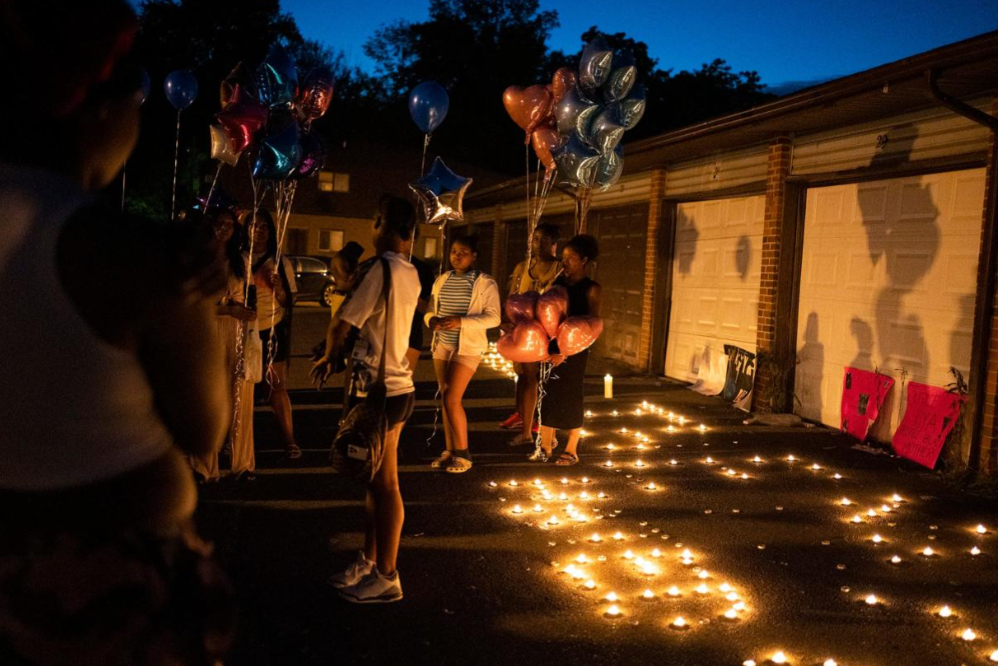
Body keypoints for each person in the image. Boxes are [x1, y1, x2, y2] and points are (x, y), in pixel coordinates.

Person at [0, 1, 234, 663]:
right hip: (108, 597)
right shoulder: (131, 252)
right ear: (98, 108)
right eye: (136, 101)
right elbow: (202, 428)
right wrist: (201, 293)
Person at [311, 196, 420, 604]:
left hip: (380, 390)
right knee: (376, 484)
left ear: (380, 222)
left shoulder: (379, 269)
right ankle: (369, 562)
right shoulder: (409, 271)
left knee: (385, 485)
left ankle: (388, 576)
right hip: (396, 388)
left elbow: (343, 321)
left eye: (374, 222)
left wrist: (328, 354)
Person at [189, 205, 258, 483]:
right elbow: (195, 303)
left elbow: (248, 298)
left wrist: (248, 313)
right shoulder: (199, 259)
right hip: (208, 331)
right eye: (218, 223)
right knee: (208, 397)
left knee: (241, 397)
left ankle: (242, 464)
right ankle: (204, 465)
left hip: (238, 333)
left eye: (229, 224)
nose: (223, 228)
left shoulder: (242, 261)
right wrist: (228, 310)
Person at [425, 233, 501, 473]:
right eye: (454, 252)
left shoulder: (484, 282)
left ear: (474, 256)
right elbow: (429, 309)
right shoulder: (441, 280)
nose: (457, 256)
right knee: (445, 397)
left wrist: (461, 321)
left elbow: (494, 317)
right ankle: (449, 451)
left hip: (467, 346)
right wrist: (432, 321)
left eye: (463, 252)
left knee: (452, 398)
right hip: (442, 345)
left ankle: (464, 454)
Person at [531, 235, 602, 466]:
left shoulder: (591, 288)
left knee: (570, 394)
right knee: (547, 391)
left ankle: (571, 448)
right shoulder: (557, 285)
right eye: (563, 258)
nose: (565, 262)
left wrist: (567, 349)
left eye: (571, 258)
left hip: (576, 347)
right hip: (551, 345)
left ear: (584, 260)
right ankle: (545, 443)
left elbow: (593, 322)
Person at [243, 209, 301, 459]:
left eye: (264, 226)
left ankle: (289, 440)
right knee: (241, 387)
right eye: (254, 225)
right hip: (242, 330)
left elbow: (290, 299)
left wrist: (278, 289)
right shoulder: (236, 258)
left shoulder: (280, 261)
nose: (259, 230)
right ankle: (237, 441)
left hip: (272, 329)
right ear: (246, 229)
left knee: (277, 386)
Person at [502, 223, 562, 446]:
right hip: (524, 331)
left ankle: (547, 429)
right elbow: (512, 296)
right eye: (535, 239)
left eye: (545, 239)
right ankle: (526, 427)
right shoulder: (522, 267)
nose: (539, 244)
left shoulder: (560, 268)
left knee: (546, 381)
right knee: (525, 377)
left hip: (549, 333)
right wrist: (505, 321)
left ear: (554, 244)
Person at [405, 226, 436, 376]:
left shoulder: (422, 269)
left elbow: (426, 307)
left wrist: (410, 293)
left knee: (402, 382)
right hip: (379, 336)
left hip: (411, 333)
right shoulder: (378, 266)